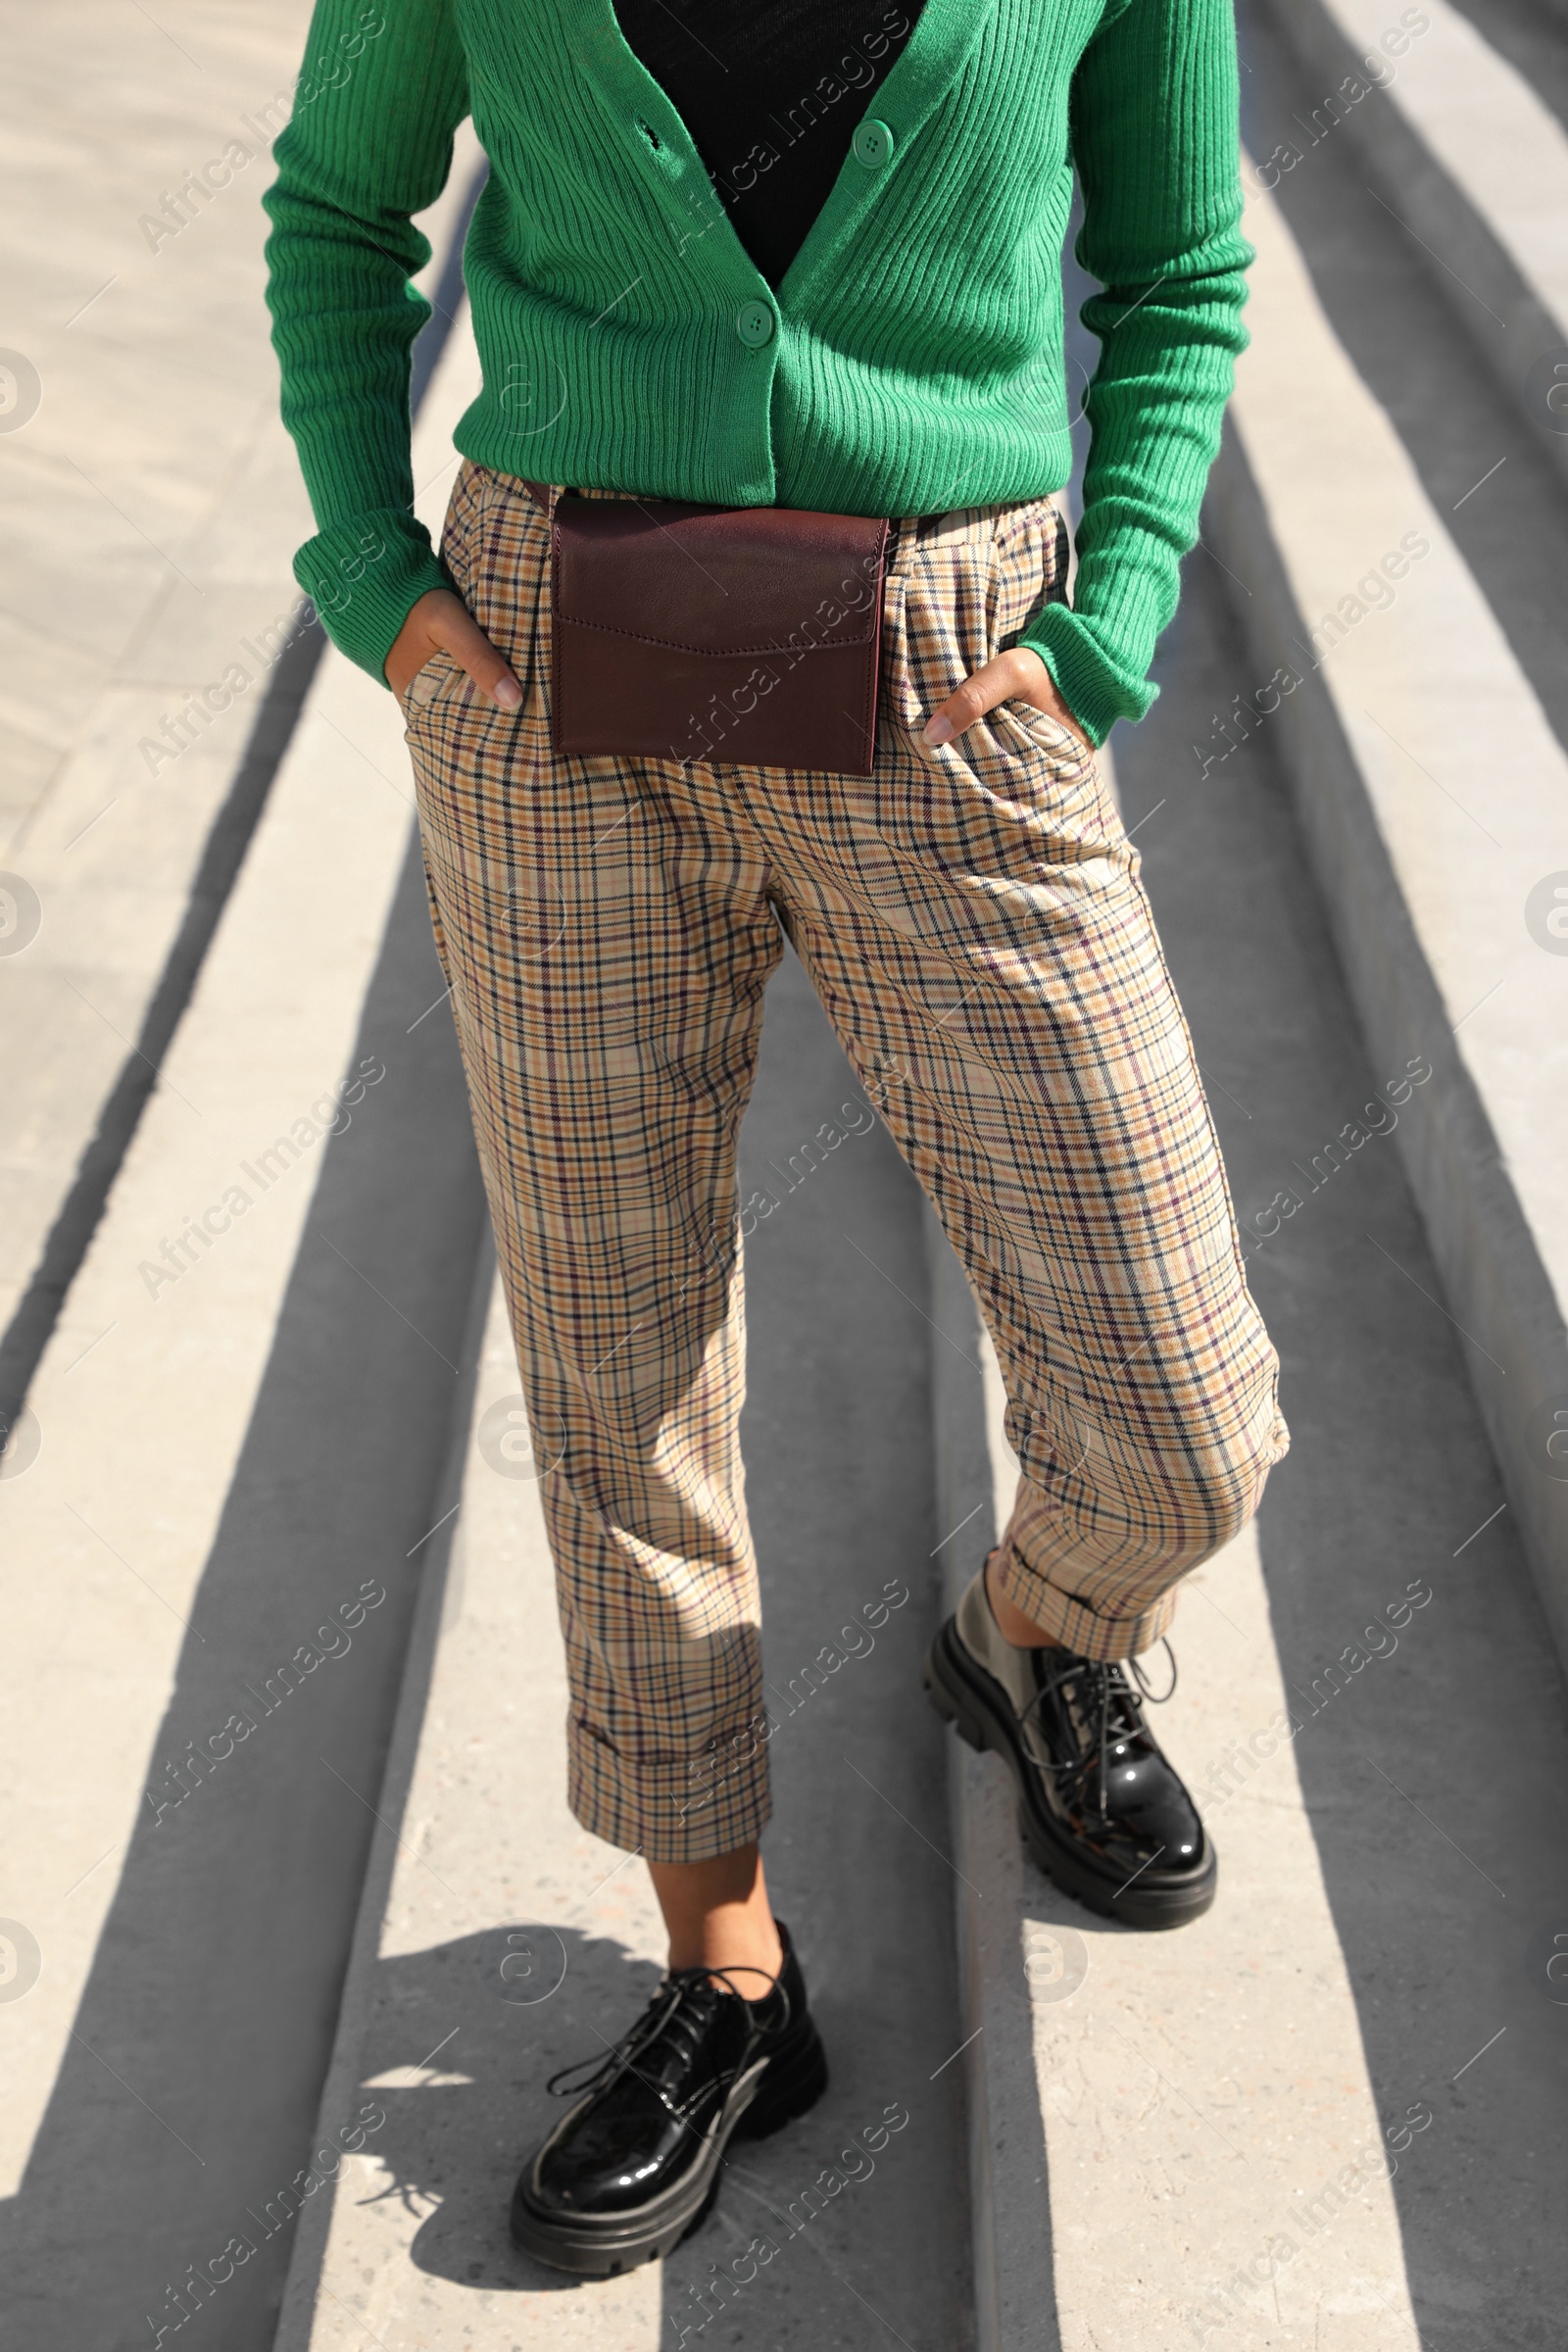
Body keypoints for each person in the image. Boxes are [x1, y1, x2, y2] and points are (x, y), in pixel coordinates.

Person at [265, 0, 1288, 2278]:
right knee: (615, 1360)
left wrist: (1107, 616)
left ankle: (1040, 1627)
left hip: (955, 672)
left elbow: (1181, 263)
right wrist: (376, 577)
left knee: (1183, 1404)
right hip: (549, 682)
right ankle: (726, 1974)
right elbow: (338, 210)